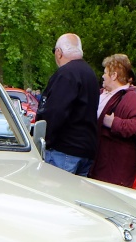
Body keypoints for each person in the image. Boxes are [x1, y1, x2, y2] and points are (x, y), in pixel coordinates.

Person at [35, 33, 100, 175]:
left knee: (56, 194)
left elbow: (55, 111)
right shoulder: (90, 74)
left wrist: (46, 139)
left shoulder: (66, 74)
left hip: (64, 150)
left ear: (59, 53)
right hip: (86, 149)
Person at [89, 54, 136, 187]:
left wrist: (113, 123)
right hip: (98, 167)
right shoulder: (102, 93)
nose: (102, 76)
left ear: (114, 75)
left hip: (114, 173)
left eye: (105, 72)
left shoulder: (133, 99)